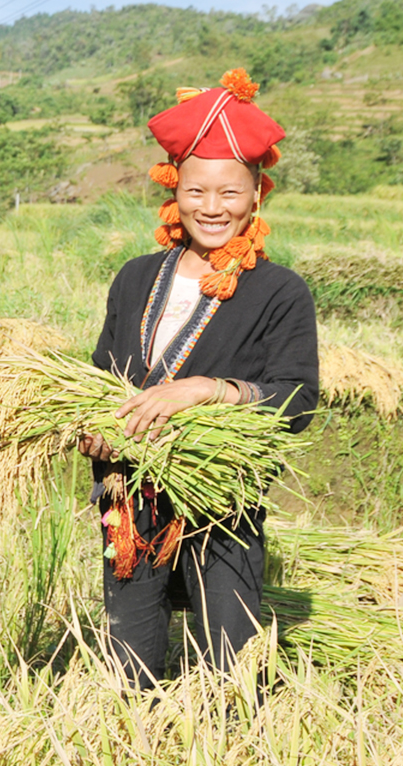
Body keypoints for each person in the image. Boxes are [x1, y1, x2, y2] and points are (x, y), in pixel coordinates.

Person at [78, 69, 318, 689]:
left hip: (223, 503)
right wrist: (92, 433)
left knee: (229, 674)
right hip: (129, 504)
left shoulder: (280, 291)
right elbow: (102, 377)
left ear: (256, 194)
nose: (212, 208)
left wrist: (211, 389)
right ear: (173, 189)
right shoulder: (135, 277)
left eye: (230, 192)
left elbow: (297, 398)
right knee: (129, 669)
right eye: (197, 191)